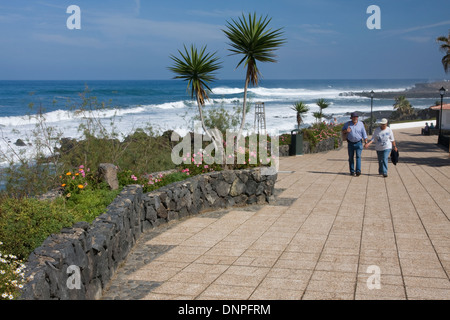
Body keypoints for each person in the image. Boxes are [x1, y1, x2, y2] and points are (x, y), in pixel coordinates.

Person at [342, 112, 368, 176]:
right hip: (350, 143)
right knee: (351, 157)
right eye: (354, 117)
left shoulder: (361, 124)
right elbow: (342, 131)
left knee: (358, 157)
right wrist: (346, 131)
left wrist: (366, 142)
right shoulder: (347, 124)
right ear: (351, 118)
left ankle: (358, 171)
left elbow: (364, 133)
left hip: (359, 143)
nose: (355, 118)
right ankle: (352, 171)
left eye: (356, 117)